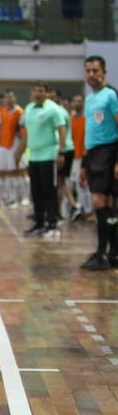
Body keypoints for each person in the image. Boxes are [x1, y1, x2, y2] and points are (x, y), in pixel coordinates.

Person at [79, 56, 118, 270]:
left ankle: (102, 253)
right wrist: (84, 164)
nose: (91, 75)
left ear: (104, 72)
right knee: (103, 204)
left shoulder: (110, 95)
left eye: (95, 71)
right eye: (88, 71)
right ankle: (111, 253)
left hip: (108, 152)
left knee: (100, 203)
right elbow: (90, 133)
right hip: (93, 154)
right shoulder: (89, 99)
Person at [16, 83, 67, 237]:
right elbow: (27, 133)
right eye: (35, 91)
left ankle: (52, 223)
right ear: (31, 93)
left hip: (48, 155)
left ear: (46, 93)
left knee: (49, 190)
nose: (38, 93)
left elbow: (62, 129)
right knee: (36, 191)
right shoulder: (29, 109)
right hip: (34, 157)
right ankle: (39, 223)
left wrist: (61, 152)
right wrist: (19, 151)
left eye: (41, 91)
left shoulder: (53, 109)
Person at [46, 86, 77, 225]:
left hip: (64, 150)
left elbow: (61, 132)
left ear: (58, 98)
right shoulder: (56, 111)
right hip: (62, 149)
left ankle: (74, 206)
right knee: (58, 183)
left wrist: (61, 151)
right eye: (49, 97)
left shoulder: (59, 112)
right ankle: (58, 212)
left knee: (59, 182)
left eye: (53, 97)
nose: (51, 100)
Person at [0, 89, 25, 209]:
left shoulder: (20, 112)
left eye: (11, 97)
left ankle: (14, 198)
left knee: (13, 172)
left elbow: (23, 132)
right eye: (7, 97)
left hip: (14, 144)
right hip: (2, 146)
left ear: (15, 98)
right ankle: (0, 199)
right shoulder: (2, 111)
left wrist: (21, 149)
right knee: (1, 172)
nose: (9, 99)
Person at [69, 93, 92, 222]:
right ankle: (81, 209)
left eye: (80, 101)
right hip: (74, 156)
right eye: (75, 101)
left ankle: (90, 211)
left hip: (85, 156)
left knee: (86, 184)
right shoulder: (70, 119)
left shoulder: (87, 119)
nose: (78, 103)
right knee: (77, 185)